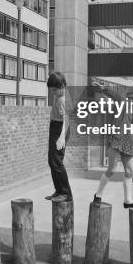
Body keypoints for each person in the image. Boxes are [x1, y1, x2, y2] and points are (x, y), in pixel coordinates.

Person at [92, 82, 133, 209]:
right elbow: (113, 94)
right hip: (116, 139)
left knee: (130, 171)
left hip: (127, 141)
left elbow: (132, 125)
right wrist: (102, 87)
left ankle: (128, 200)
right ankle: (98, 195)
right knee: (111, 169)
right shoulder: (123, 101)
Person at [45, 71, 73, 202]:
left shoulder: (62, 100)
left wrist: (61, 137)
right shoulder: (61, 90)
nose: (53, 94)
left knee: (57, 162)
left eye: (54, 91)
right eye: (51, 91)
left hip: (60, 128)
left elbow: (66, 120)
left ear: (61, 87)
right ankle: (59, 190)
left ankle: (66, 193)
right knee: (52, 161)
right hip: (55, 127)